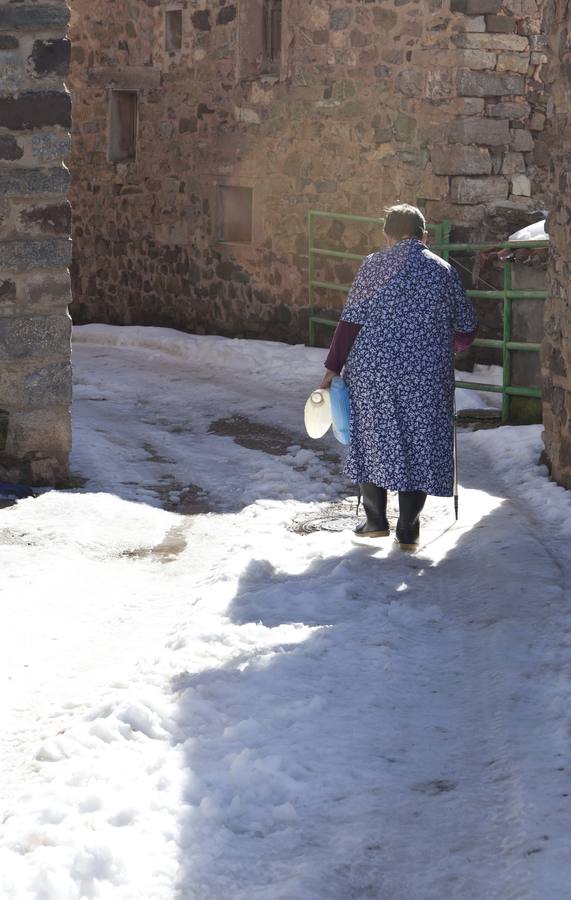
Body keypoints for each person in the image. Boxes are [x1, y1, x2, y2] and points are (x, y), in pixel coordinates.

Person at [320, 204, 477, 550]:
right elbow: (467, 329)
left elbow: (350, 324)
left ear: (387, 236)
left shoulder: (373, 265)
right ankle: (408, 528)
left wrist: (331, 369)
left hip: (372, 372)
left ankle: (375, 521)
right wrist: (441, 343)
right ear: (425, 236)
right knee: (420, 442)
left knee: (374, 438)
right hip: (426, 376)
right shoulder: (443, 270)